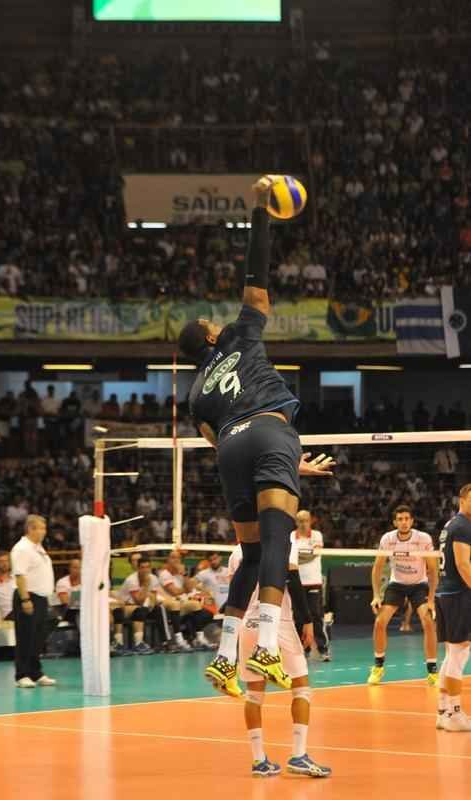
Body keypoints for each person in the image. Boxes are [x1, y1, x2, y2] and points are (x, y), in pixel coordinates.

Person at [179, 175, 334, 695]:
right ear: (208, 335)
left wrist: (288, 465)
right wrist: (261, 211)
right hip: (270, 431)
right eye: (209, 321)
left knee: (248, 554)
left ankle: (225, 654)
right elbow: (257, 272)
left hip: (231, 449)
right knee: (276, 540)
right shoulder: (242, 332)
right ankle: (266, 646)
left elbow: (216, 443)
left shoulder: (196, 394)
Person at [230, 539, 332, 778]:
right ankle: (299, 756)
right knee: (301, 689)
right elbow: (293, 582)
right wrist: (307, 620)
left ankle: (259, 761)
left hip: (247, 624)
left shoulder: (237, 551)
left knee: (254, 695)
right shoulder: (284, 542)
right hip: (277, 623)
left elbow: (236, 593)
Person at [368, 505, 438, 686]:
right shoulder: (387, 539)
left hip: (419, 585)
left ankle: (432, 670)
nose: (404, 522)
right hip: (397, 584)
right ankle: (378, 667)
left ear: (412, 521)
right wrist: (376, 595)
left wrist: (431, 599)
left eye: (407, 518)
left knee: (429, 622)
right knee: (379, 622)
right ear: (394, 522)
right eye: (400, 519)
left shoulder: (423, 539)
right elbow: (377, 568)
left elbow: (433, 570)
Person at [435, 484, 471, 732]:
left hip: (446, 592)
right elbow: (462, 564)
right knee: (459, 653)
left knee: (453, 653)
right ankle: (455, 713)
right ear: (462, 499)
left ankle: (442, 710)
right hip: (458, 594)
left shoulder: (452, 525)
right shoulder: (462, 526)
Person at [10, 515, 56, 688]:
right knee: (25, 637)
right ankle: (21, 675)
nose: (44, 532)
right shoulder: (22, 548)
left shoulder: (38, 548)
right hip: (28, 597)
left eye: (44, 528)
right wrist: (25, 599)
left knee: (37, 638)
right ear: (30, 529)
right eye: (41, 528)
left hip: (41, 598)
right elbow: (20, 575)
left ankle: (35, 673)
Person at [158, 551, 215, 650]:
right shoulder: (164, 574)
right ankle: (179, 640)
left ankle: (199, 639)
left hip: (182, 603)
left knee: (200, 608)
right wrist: (186, 589)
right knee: (179, 605)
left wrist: (184, 574)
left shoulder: (181, 573)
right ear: (168, 560)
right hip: (170, 605)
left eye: (178, 558)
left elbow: (189, 588)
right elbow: (175, 592)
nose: (176, 561)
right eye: (173, 558)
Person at [294, 509, 331, 661]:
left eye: (306, 520)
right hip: (297, 582)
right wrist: (303, 555)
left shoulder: (316, 535)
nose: (303, 523)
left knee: (316, 615)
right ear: (296, 522)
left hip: (314, 581)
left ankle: (323, 649)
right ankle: (303, 650)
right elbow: (291, 556)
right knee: (298, 617)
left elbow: (314, 554)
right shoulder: (291, 536)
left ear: (310, 521)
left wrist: (298, 557)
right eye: (300, 521)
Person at [56, 558, 81, 626]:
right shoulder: (62, 582)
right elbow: (65, 602)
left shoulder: (87, 581)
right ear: (69, 569)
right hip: (68, 612)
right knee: (80, 614)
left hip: (85, 609)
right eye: (75, 568)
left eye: (80, 568)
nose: (78, 570)